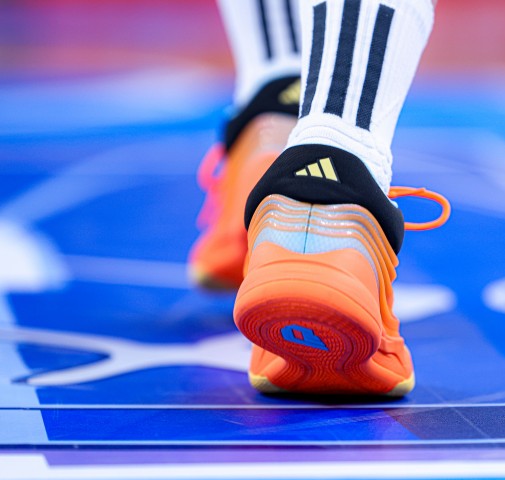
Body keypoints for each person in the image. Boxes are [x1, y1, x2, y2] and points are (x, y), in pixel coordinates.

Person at [189, 0, 447, 396]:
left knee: (282, 74)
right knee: (343, 131)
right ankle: (340, 180)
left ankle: (272, 132)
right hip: (345, 204)